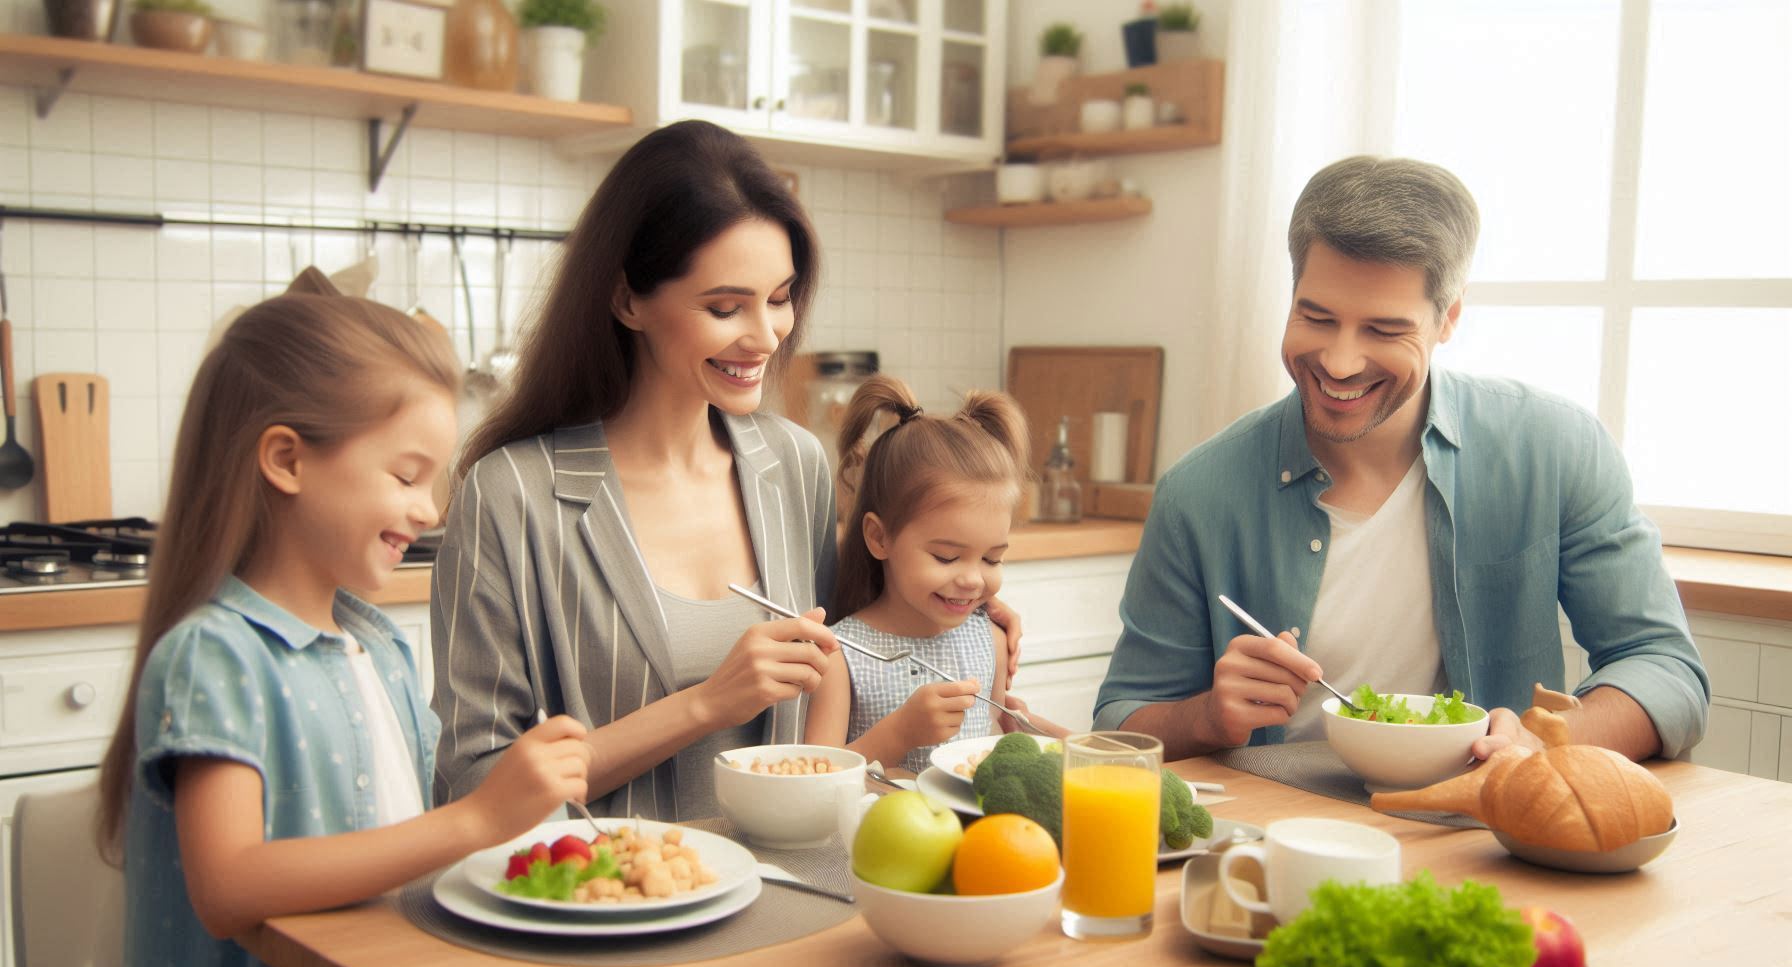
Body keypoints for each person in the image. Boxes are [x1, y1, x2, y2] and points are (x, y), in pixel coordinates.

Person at [431, 121, 1024, 819]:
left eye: (779, 298)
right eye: (724, 307)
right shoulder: (512, 495)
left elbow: (851, 669)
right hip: (613, 903)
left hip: (795, 882)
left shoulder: (794, 465)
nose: (768, 334)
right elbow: (474, 784)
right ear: (627, 300)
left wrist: (956, 616)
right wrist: (706, 704)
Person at [1094, 156, 1708, 764]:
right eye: (1316, 316)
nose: (1338, 362)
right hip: (1275, 833)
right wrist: (1206, 717)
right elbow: (1120, 724)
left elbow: (1665, 669)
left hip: (1484, 834)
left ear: (1449, 319)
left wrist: (1542, 742)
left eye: (1384, 330)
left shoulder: (1555, 448)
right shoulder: (1199, 491)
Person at [96, 281, 593, 967]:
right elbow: (227, 885)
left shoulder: (378, 645)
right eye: (406, 476)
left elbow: (401, 845)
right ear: (287, 460)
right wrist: (474, 821)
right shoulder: (218, 655)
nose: (429, 511)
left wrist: (514, 810)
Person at [805, 376, 1067, 775]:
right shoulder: (840, 655)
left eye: (992, 560)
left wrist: (1024, 732)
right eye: (947, 557)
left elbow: (990, 748)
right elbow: (812, 777)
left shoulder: (991, 642)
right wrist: (897, 735)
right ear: (879, 538)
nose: (973, 580)